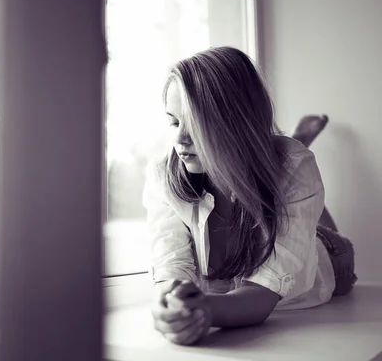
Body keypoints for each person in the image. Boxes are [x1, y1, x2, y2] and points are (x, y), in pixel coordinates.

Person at [142, 46, 357, 346]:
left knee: (328, 232)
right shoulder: (164, 174)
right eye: (174, 122)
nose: (180, 138)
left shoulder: (296, 165)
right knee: (286, 181)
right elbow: (169, 270)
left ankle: (292, 149)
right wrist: (171, 305)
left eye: (195, 124)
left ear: (236, 121)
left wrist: (205, 310)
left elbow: (261, 296)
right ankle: (281, 155)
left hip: (326, 256)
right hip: (263, 206)